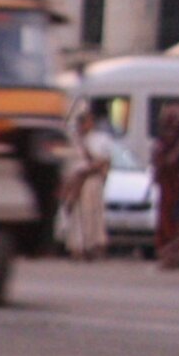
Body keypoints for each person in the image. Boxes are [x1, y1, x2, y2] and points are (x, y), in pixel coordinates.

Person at [62, 105, 113, 261]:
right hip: (76, 182)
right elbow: (67, 164)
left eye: (88, 121)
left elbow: (104, 162)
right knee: (76, 215)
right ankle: (77, 248)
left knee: (92, 214)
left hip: (91, 181)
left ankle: (93, 247)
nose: (85, 125)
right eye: (82, 122)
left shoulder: (101, 139)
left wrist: (89, 170)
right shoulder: (73, 141)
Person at [153, 101, 179, 269]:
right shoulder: (165, 143)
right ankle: (172, 253)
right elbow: (162, 161)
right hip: (170, 186)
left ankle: (178, 252)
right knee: (170, 219)